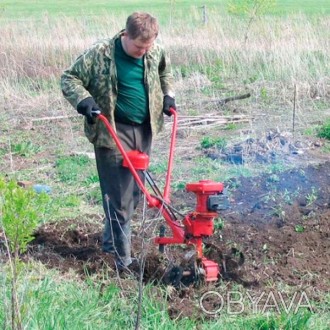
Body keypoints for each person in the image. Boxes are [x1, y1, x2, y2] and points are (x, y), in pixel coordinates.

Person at [61, 12, 176, 271]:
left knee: (135, 192)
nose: (142, 51)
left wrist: (168, 95)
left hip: (145, 129)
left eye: (147, 47)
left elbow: (164, 72)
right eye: (138, 47)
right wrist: (84, 101)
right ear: (126, 35)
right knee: (119, 198)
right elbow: (69, 77)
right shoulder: (101, 53)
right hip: (112, 130)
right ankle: (123, 262)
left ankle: (110, 243)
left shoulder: (154, 50)